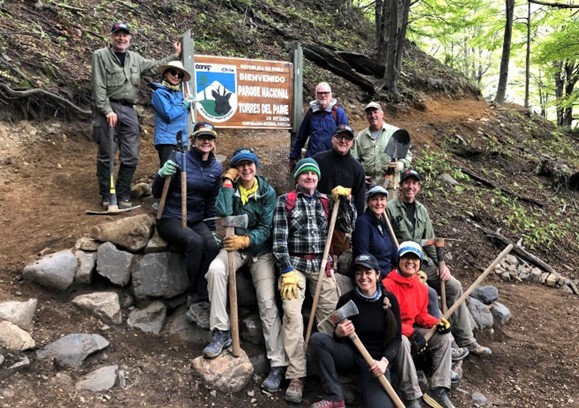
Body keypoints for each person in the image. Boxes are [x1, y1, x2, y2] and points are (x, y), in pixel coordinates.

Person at [202, 147, 288, 393]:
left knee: (267, 301)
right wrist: (227, 183)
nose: (246, 169)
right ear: (236, 169)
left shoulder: (267, 192)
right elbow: (223, 213)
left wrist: (246, 240)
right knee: (216, 270)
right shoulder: (232, 188)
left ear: (256, 167)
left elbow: (266, 227)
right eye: (241, 165)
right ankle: (221, 332)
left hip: (260, 251)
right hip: (234, 248)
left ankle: (277, 363)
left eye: (250, 164)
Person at [272, 158, 355, 404]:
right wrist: (285, 269)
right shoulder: (285, 202)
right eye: (305, 173)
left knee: (331, 315)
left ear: (318, 178)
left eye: (313, 174)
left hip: (322, 265)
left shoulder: (327, 202)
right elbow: (278, 241)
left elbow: (348, 225)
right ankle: (296, 375)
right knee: (292, 313)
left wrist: (347, 203)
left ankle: (329, 371)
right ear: (297, 178)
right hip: (294, 266)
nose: (309, 177)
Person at [387, 169, 492, 358]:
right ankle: (445, 343)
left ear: (418, 187)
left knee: (453, 285)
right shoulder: (390, 209)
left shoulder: (421, 210)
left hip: (423, 263)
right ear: (401, 185)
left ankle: (467, 340)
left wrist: (441, 264)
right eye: (407, 183)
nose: (410, 186)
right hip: (403, 266)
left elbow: (429, 241)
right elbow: (388, 244)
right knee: (427, 292)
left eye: (415, 183)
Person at [91, 22, 181, 208]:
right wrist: (107, 110)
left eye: (125, 35)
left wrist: (175, 56)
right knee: (107, 154)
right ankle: (108, 196)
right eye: (118, 35)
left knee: (131, 155)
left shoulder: (135, 58)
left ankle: (123, 195)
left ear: (130, 38)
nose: (121, 38)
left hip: (129, 109)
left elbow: (155, 67)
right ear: (112, 36)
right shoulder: (100, 56)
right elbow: (98, 86)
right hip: (108, 107)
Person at [309, 254, 402, 408]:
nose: (363, 277)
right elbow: (337, 338)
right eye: (359, 273)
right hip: (351, 356)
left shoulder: (389, 300)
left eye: (368, 272)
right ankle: (335, 397)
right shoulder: (346, 300)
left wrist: (384, 362)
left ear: (377, 275)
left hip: (375, 364)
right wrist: (339, 333)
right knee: (318, 339)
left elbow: (397, 339)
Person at [152, 122, 221, 328]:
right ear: (194, 140)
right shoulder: (179, 159)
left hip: (197, 218)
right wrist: (161, 175)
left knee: (211, 245)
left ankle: (201, 294)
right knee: (195, 242)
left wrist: (211, 228)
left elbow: (211, 202)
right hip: (171, 216)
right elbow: (157, 192)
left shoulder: (216, 168)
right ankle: (193, 291)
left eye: (209, 138)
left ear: (214, 142)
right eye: (201, 137)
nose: (206, 141)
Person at [383, 241, 455, 408]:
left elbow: (421, 315)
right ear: (398, 260)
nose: (410, 262)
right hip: (394, 332)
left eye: (414, 258)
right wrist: (412, 333)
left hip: (411, 329)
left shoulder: (420, 287)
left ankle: (438, 388)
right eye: (406, 257)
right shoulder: (388, 285)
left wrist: (438, 323)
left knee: (443, 338)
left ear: (420, 262)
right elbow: (389, 321)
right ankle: (411, 395)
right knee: (403, 342)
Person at [352, 185, 442, 318]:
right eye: (374, 199)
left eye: (382, 199)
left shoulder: (383, 223)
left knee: (430, 293)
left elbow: (394, 253)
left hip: (391, 273)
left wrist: (408, 272)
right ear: (368, 202)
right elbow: (363, 255)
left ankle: (438, 327)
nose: (379, 203)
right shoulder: (363, 223)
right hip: (377, 276)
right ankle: (407, 328)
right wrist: (387, 275)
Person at [313, 124, 366, 256]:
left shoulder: (357, 169)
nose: (343, 141)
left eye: (347, 138)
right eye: (340, 137)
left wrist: (356, 231)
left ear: (352, 143)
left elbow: (359, 203)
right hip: (315, 219)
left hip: (341, 224)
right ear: (332, 139)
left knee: (339, 257)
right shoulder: (317, 160)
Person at [288, 82, 349, 168]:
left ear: (331, 95)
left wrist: (345, 161)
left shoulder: (338, 113)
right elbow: (301, 136)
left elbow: (346, 138)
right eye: (320, 93)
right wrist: (293, 156)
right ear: (316, 96)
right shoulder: (311, 113)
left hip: (332, 161)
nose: (323, 95)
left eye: (326, 93)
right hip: (313, 160)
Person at [352, 102, 412, 186]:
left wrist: (402, 163)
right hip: (369, 185)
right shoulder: (361, 136)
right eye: (369, 113)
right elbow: (355, 161)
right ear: (366, 117)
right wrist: (360, 176)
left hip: (390, 184)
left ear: (382, 114)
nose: (373, 115)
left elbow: (407, 155)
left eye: (375, 112)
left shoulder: (395, 133)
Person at [149, 60, 195, 166]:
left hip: (181, 140)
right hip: (167, 140)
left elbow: (182, 117)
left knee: (180, 174)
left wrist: (189, 104)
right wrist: (184, 105)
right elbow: (169, 115)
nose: (176, 76)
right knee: (168, 174)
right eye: (173, 72)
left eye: (180, 75)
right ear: (166, 73)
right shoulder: (159, 93)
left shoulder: (181, 94)